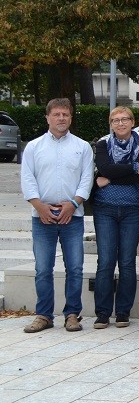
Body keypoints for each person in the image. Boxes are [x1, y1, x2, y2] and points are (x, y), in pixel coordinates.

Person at [20, 99, 94, 333]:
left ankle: (72, 314)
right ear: (47, 118)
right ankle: (43, 315)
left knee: (75, 268)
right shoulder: (33, 147)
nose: (61, 118)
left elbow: (86, 179)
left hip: (72, 215)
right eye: (57, 114)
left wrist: (73, 204)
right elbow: (27, 179)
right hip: (42, 216)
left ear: (71, 118)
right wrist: (39, 206)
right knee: (43, 268)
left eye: (65, 114)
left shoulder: (82, 147)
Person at [91, 106, 139, 330]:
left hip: (133, 210)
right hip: (104, 209)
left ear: (132, 121)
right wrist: (133, 168)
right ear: (111, 124)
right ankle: (103, 313)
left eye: (124, 119)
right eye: (115, 120)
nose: (120, 123)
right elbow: (105, 167)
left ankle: (123, 312)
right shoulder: (102, 144)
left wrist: (110, 177)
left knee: (127, 262)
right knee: (106, 261)